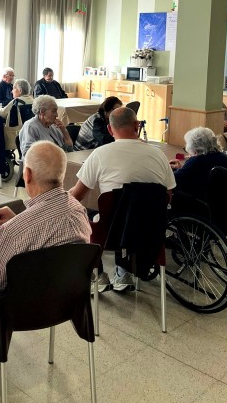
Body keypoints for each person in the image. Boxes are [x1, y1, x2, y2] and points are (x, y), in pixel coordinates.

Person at [70, 106, 175, 291]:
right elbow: (168, 196)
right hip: (151, 230)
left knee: (85, 213)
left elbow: (76, 196)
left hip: (111, 233)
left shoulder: (100, 154)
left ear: (110, 129)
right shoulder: (158, 155)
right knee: (127, 209)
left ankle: (98, 275)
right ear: (137, 125)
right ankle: (123, 271)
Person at [0, 141, 91, 293]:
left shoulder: (14, 232)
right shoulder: (79, 211)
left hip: (21, 303)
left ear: (27, 174)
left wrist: (17, 224)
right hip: (68, 298)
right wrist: (18, 219)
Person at [169, 127, 227, 200]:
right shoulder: (226, 158)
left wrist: (169, 169)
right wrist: (182, 169)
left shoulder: (196, 161)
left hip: (200, 201)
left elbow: (173, 180)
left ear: (195, 148)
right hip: (223, 200)